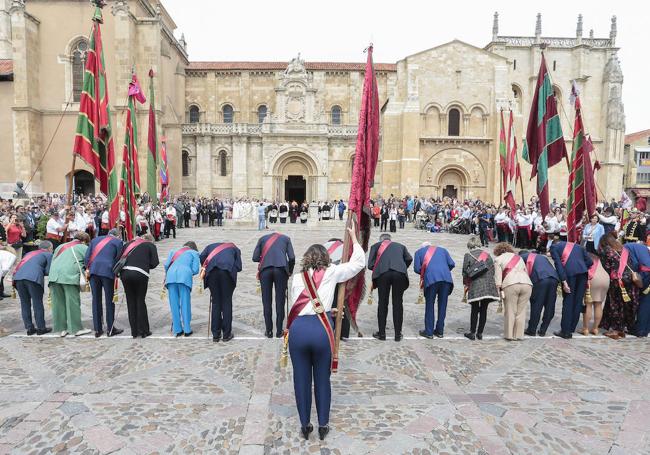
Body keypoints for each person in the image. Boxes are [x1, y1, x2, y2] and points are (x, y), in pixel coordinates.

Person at [287, 222, 365, 441]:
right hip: (322, 329)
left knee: (301, 379)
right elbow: (359, 263)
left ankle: (304, 424)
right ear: (326, 258)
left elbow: (296, 306)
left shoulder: (296, 278)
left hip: (299, 330)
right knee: (322, 379)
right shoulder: (332, 272)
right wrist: (354, 238)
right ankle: (323, 425)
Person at [368, 233, 412, 341]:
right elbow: (409, 259)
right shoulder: (400, 246)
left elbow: (370, 265)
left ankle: (382, 334)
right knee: (398, 303)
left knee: (383, 303)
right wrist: (401, 267)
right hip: (399, 274)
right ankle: (398, 334)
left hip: (383, 274)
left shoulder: (375, 246)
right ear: (390, 240)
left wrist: (379, 268)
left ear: (381, 240)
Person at [253, 232, 295, 337]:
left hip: (265, 270)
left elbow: (255, 257)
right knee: (280, 301)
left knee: (266, 301)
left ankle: (269, 331)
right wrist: (290, 270)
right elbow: (292, 257)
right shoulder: (286, 239)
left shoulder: (262, 238)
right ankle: (279, 331)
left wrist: (266, 257)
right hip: (281, 270)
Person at [49, 232, 91, 337]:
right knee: (72, 302)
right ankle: (75, 328)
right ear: (84, 241)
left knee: (58, 303)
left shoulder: (60, 246)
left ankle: (61, 328)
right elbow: (89, 262)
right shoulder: (83, 247)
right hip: (69, 275)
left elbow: (54, 260)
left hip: (54, 275)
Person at [549, 238, 593, 339]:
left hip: (569, 275)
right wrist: (580, 266)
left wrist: (564, 281)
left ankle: (565, 331)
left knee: (568, 301)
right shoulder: (578, 246)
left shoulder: (554, 247)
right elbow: (590, 262)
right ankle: (572, 327)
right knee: (577, 301)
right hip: (583, 274)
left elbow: (558, 265)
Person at [199, 240, 242, 342]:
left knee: (216, 302)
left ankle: (216, 334)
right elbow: (239, 267)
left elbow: (201, 257)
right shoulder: (234, 248)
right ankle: (226, 334)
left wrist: (207, 266)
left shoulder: (209, 246)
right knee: (227, 302)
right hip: (227, 273)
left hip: (212, 273)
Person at [84, 228, 124, 338]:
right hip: (107, 272)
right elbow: (118, 259)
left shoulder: (95, 240)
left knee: (95, 300)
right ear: (117, 235)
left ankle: (98, 329)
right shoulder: (118, 242)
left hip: (93, 272)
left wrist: (89, 269)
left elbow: (87, 258)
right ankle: (110, 329)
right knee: (109, 300)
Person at [598, 233, 638, 339]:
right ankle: (625, 326)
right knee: (625, 304)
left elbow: (606, 267)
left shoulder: (607, 250)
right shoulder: (624, 249)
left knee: (615, 304)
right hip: (629, 279)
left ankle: (616, 330)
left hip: (617, 280)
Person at [119, 234, 159, 338]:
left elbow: (119, 258)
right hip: (140, 273)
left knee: (131, 301)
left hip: (125, 273)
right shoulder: (150, 245)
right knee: (140, 300)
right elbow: (155, 263)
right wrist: (145, 264)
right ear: (150, 241)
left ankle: (134, 331)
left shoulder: (128, 244)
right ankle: (144, 331)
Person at [414, 241, 454, 339]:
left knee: (430, 305)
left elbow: (416, 268)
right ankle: (440, 331)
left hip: (431, 280)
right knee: (442, 305)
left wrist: (427, 272)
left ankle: (429, 332)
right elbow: (452, 264)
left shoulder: (419, 252)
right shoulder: (443, 250)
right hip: (446, 280)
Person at [461, 236, 499, 340]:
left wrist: (466, 284)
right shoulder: (487, 255)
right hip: (488, 285)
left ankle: (472, 332)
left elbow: (464, 271)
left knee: (474, 309)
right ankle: (480, 333)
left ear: (470, 245)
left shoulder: (468, 255)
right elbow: (492, 270)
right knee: (484, 310)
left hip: (476, 285)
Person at [493, 242, 532, 341]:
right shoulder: (519, 258)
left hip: (511, 284)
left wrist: (499, 290)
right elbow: (526, 271)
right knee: (521, 311)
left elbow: (498, 278)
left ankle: (509, 335)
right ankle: (518, 335)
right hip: (527, 284)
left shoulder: (498, 259)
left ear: (498, 251)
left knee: (510, 310)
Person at [13, 241, 53, 335]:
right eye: (52, 249)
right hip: (33, 278)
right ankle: (41, 328)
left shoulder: (29, 253)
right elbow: (48, 271)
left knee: (25, 303)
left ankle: (29, 328)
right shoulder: (48, 255)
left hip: (18, 278)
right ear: (49, 249)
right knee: (37, 303)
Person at [519, 249, 559, 337]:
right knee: (549, 305)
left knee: (537, 305)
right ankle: (543, 330)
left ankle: (532, 330)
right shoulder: (542, 257)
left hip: (540, 279)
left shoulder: (521, 257)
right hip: (554, 278)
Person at [164, 241, 201, 336]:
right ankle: (187, 329)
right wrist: (188, 271)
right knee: (185, 303)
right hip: (184, 277)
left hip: (171, 276)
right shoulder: (194, 253)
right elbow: (196, 270)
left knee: (174, 304)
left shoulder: (173, 251)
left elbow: (166, 264)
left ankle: (177, 329)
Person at [625, 240, 650, 337]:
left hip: (645, 273)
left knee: (644, 302)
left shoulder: (626, 248)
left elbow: (634, 263)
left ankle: (639, 329)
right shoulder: (641, 248)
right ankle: (645, 329)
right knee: (648, 302)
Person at [582, 252, 609, 336]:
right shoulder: (598, 258)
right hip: (605, 278)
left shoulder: (585, 256)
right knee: (598, 304)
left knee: (588, 304)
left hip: (593, 278)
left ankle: (585, 328)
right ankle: (595, 328)